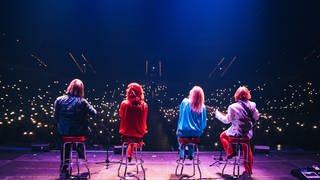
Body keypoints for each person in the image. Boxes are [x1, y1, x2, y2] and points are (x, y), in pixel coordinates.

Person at [53, 79, 97, 178]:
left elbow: (55, 117)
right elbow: (94, 113)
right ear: (81, 90)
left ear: (70, 87)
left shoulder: (59, 100)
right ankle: (79, 149)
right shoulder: (82, 101)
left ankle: (64, 168)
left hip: (64, 132)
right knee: (88, 132)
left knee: (65, 143)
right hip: (79, 133)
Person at [214, 86, 259, 175]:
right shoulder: (253, 105)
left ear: (237, 95)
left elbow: (226, 120)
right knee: (247, 148)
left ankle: (230, 152)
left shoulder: (232, 107)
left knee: (222, 136)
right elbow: (256, 117)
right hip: (247, 135)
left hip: (236, 135)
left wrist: (217, 114)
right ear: (247, 95)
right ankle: (249, 170)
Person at [119, 82, 148, 162]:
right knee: (135, 136)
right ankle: (130, 154)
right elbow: (144, 120)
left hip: (126, 133)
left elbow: (121, 115)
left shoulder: (124, 104)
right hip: (138, 134)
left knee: (130, 135)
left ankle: (129, 154)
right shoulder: (144, 106)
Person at [176, 86, 207, 160]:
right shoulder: (202, 107)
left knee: (181, 136)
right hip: (196, 133)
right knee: (192, 136)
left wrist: (178, 128)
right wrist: (199, 130)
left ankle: (182, 153)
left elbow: (181, 118)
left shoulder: (184, 102)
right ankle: (191, 154)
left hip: (184, 132)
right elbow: (203, 124)